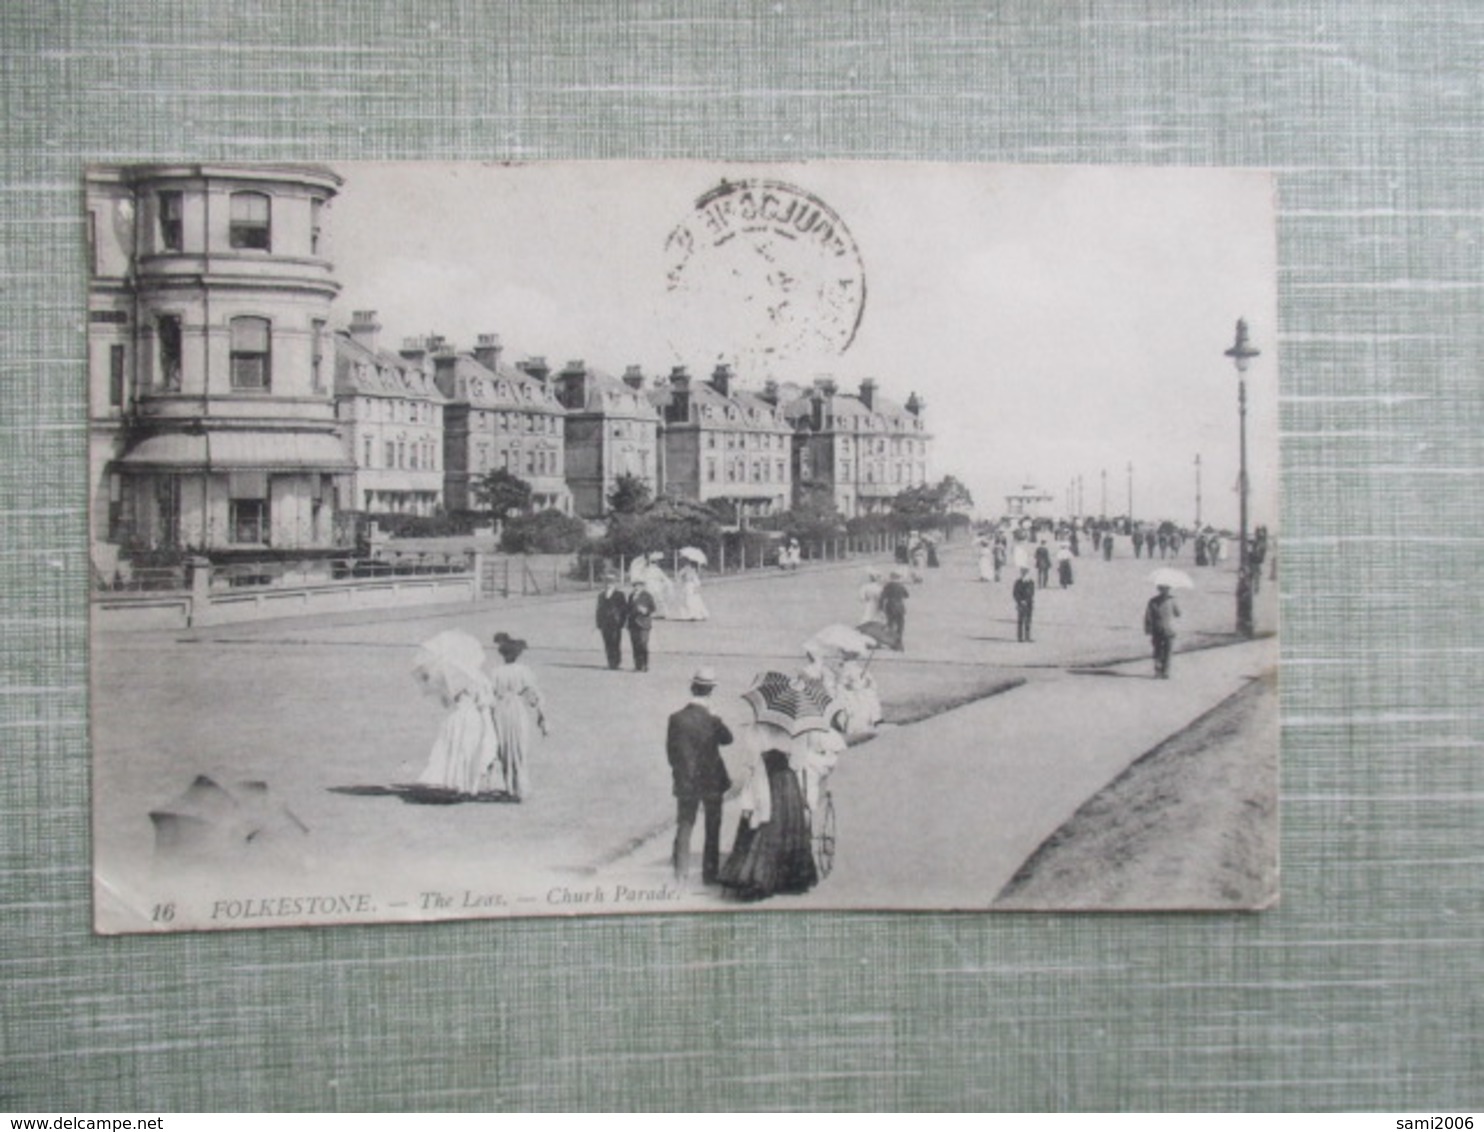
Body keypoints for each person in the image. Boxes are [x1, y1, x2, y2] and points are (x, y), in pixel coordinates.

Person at [719, 721, 820, 902]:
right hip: (786, 781)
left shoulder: (756, 728)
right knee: (786, 823)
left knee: (761, 823)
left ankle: (758, 876)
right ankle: (786, 879)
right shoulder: (795, 727)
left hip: (763, 776)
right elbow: (798, 763)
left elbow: (750, 761)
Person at [412, 631, 501, 797]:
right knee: (471, 751)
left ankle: (454, 783)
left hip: (455, 718)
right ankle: (468, 786)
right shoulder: (478, 678)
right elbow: (485, 702)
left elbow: (446, 703)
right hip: (473, 718)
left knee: (456, 750)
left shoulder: (449, 678)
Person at [666, 667, 733, 885]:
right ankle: (710, 874)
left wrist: (681, 772)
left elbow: (671, 753)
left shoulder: (676, 719)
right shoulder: (712, 720)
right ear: (711, 691)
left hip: (686, 780)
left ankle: (680, 873)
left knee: (685, 824)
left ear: (692, 687)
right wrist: (716, 718)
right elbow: (728, 739)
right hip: (712, 779)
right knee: (712, 827)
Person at [487, 633, 547, 801]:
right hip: (517, 708)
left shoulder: (495, 672)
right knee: (519, 745)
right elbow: (531, 692)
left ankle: (509, 787)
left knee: (504, 746)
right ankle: (521, 786)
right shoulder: (523, 671)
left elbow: (490, 694)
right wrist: (540, 712)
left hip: (500, 710)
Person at [1144, 584, 1182, 678]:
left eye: (1166, 588)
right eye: (1164, 589)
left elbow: (1148, 617)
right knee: (1163, 651)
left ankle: (1161, 671)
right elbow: (1178, 614)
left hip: (1162, 629)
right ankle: (1162, 671)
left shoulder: (1154, 601)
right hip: (1165, 629)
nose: (1165, 590)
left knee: (1161, 650)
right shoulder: (1171, 600)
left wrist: (1148, 628)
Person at [595, 573, 628, 670]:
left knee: (615, 642)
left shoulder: (620, 595)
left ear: (614, 584)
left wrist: (622, 622)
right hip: (605, 624)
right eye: (606, 583)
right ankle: (610, 662)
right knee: (607, 643)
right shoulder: (601, 595)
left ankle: (616, 662)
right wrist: (598, 623)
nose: (608, 585)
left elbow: (624, 609)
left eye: (610, 583)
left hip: (615, 623)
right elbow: (598, 610)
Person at [626, 577, 657, 672]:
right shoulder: (631, 596)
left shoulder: (647, 595)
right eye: (635, 585)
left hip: (644, 623)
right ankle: (637, 665)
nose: (636, 587)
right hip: (632, 624)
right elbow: (628, 609)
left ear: (643, 586)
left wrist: (645, 610)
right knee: (635, 645)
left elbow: (653, 608)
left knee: (643, 644)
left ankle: (645, 665)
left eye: (639, 585)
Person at [880, 570, 910, 650]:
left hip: (890, 606)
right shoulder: (901, 586)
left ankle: (891, 642)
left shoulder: (888, 586)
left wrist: (881, 608)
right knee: (900, 625)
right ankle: (899, 643)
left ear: (891, 578)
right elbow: (907, 595)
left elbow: (882, 597)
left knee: (891, 624)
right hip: (900, 607)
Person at [1013, 567, 1036, 643]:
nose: (1025, 575)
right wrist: (1020, 601)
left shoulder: (1031, 582)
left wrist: (1028, 600)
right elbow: (1015, 593)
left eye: (1026, 574)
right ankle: (1020, 637)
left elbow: (1032, 593)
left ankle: (1027, 636)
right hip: (1021, 604)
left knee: (1028, 620)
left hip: (1029, 603)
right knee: (1020, 620)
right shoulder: (1018, 582)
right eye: (1023, 574)